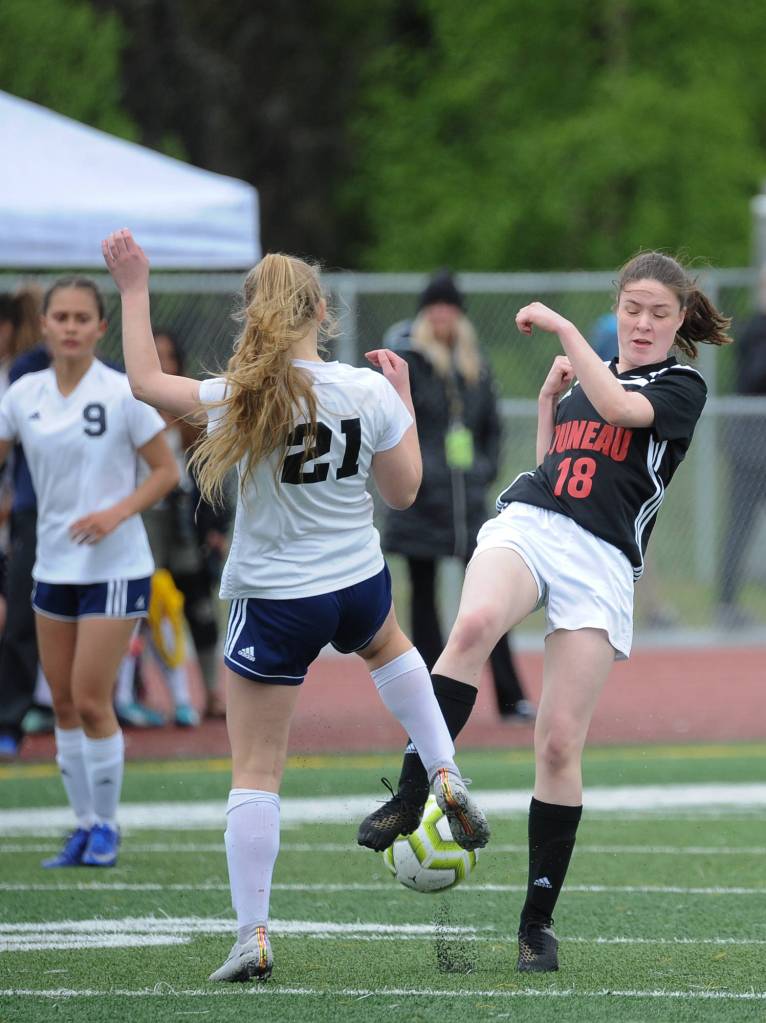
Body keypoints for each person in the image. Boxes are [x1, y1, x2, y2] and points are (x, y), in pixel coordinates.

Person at [102, 228, 489, 984]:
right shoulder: (368, 387)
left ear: (252, 315)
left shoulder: (241, 393)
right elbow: (404, 493)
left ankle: (253, 935)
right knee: (390, 648)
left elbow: (146, 381)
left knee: (255, 768)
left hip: (278, 597)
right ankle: (444, 768)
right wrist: (404, 394)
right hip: (356, 582)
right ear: (321, 308)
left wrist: (134, 285)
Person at [359, 251, 732, 972]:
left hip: (601, 560)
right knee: (468, 627)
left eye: (661, 311)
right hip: (534, 519)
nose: (646, 322)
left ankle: (536, 922)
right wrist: (544, 404)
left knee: (559, 744)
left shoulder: (680, 383)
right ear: (618, 308)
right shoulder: (579, 379)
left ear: (680, 318)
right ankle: (412, 793)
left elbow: (624, 410)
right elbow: (556, 466)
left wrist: (565, 330)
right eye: (633, 308)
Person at [0, 276, 179, 865]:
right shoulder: (22, 394)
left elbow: (163, 471)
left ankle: (106, 827)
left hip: (116, 565)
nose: (72, 327)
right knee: (64, 704)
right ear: (45, 325)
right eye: (62, 317)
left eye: (83, 318)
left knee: (91, 698)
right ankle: (82, 826)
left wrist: (114, 513)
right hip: (52, 564)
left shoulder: (122, 392)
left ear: (101, 328)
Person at [381, 273, 534, 715]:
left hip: (468, 505)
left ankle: (511, 697)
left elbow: (492, 428)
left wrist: (482, 471)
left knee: (489, 602)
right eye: (435, 307)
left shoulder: (475, 365)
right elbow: (400, 425)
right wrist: (421, 475)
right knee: (424, 602)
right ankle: (429, 699)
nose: (443, 315)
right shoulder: (409, 362)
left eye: (450, 307)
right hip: (421, 505)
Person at [0, 288, 47, 762]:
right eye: (60, 317)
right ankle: (11, 718)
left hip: (88, 521)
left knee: (76, 620)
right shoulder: (23, 378)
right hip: (30, 515)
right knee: (18, 617)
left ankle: (74, 712)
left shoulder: (113, 379)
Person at [716, 266, 766, 627]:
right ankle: (727, 603)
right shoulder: (755, 329)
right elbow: (754, 376)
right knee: (740, 525)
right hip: (751, 446)